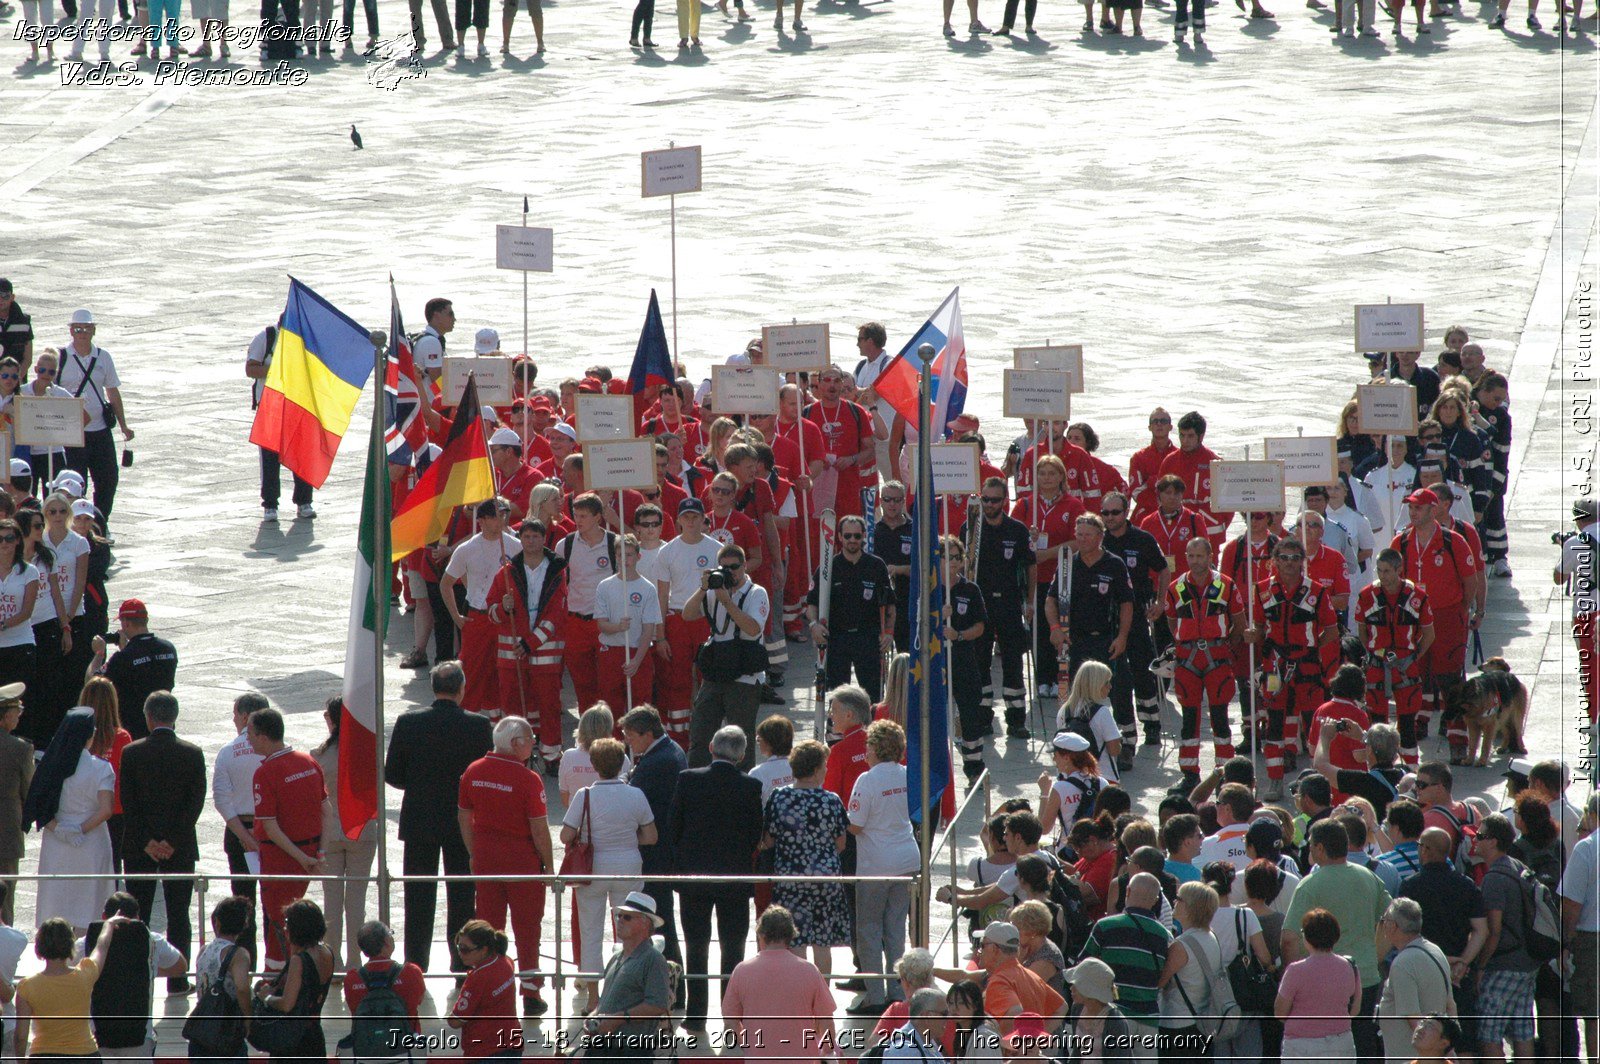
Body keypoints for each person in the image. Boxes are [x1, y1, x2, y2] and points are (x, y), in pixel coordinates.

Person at [384, 661, 492, 974]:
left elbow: (393, 773)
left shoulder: (408, 722)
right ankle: (463, 964)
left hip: (419, 819)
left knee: (418, 896)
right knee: (461, 895)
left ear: (433, 688)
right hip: (462, 822)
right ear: (462, 688)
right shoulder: (478, 725)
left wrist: (418, 786)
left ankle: (416, 965)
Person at [667, 724, 763, 1033]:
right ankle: (731, 1017)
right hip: (733, 879)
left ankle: (696, 1015)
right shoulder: (751, 787)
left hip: (694, 878)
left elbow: (674, 827)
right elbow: (754, 835)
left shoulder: (688, 780)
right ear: (742, 754)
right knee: (733, 950)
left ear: (711, 747)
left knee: (696, 947)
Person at [458, 716, 555, 1016]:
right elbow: (540, 830)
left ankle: (488, 989)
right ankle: (530, 994)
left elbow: (464, 817)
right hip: (521, 864)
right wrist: (549, 866)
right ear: (516, 744)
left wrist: (474, 853)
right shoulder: (528, 779)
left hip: (486, 861)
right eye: (530, 739)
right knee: (528, 930)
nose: (534, 744)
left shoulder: (473, 771)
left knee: (487, 928)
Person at [117, 690, 205, 994]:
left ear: (148, 717)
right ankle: (177, 980)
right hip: (179, 848)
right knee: (179, 913)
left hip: (140, 847)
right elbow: (194, 805)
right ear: (175, 717)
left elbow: (128, 802)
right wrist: (172, 842)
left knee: (135, 913)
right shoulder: (192, 754)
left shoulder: (132, 752)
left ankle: (135, 975)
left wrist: (147, 842)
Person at [1282, 819, 1391, 1064]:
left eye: (1311, 845)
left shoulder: (1310, 884)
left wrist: (1288, 976)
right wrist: (1376, 955)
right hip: (1366, 975)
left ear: (1320, 848)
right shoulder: (1369, 877)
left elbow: (1289, 938)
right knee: (1363, 1043)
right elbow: (1390, 920)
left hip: (1322, 981)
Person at [562, 736, 657, 1016]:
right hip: (628, 865)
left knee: (591, 932)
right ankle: (624, 993)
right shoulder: (636, 794)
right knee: (628, 933)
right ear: (622, 763)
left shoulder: (585, 796)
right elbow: (650, 836)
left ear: (594, 764)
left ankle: (593, 999)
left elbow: (566, 834)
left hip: (593, 870)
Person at [1247, 538, 1339, 800]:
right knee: (1273, 721)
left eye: (1295, 557)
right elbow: (1260, 627)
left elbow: (1331, 631)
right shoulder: (1262, 590)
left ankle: (1316, 782)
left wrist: (1309, 648)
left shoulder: (1317, 591)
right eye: (1284, 557)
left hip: (1307, 667)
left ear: (1303, 561)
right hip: (1274, 668)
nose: (1289, 563)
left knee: (1312, 722)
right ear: (1274, 561)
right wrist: (1253, 635)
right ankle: (1274, 781)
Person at [847, 720, 921, 1015]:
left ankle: (875, 996)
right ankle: (897, 992)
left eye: (867, 745)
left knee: (868, 930)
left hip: (876, 864)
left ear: (876, 747)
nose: (865, 750)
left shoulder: (867, 780)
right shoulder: (907, 775)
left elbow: (855, 824)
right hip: (906, 860)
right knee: (894, 929)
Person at [762, 738, 851, 977]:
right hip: (826, 880)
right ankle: (821, 997)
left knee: (796, 940)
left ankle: (799, 996)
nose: (826, 769)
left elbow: (769, 839)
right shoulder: (831, 801)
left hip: (790, 878)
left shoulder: (778, 797)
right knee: (822, 942)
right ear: (815, 769)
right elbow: (841, 843)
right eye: (824, 765)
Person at [248, 707, 327, 974]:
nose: (247, 740)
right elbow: (326, 810)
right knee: (294, 920)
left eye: (250, 734)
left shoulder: (266, 773)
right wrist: (319, 853)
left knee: (278, 923)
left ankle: (278, 977)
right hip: (307, 853)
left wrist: (302, 857)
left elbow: (270, 827)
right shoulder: (308, 761)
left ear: (262, 736)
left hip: (281, 859)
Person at [486, 517, 569, 767]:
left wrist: (532, 642)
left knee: (549, 705)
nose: (531, 541)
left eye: (536, 536)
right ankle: (514, 756)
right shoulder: (506, 572)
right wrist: (502, 607)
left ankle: (551, 754)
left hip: (545, 651)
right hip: (511, 654)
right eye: (526, 536)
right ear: (520, 539)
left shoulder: (556, 571)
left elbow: (557, 613)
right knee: (512, 706)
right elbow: (490, 611)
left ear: (544, 539)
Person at [25, 707, 114, 934]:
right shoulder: (102, 768)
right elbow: (106, 809)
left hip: (57, 840)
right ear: (89, 736)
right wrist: (79, 829)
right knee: (90, 900)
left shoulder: (49, 766)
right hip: (90, 840)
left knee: (57, 897)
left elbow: (39, 806)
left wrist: (61, 829)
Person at [1164, 536, 1244, 790]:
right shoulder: (1176, 587)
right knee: (1189, 717)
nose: (1195, 561)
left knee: (1220, 716)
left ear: (1210, 557)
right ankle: (1189, 774)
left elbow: (1239, 623)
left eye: (1200, 556)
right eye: (1191, 556)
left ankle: (1225, 772)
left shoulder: (1226, 585)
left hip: (1217, 654)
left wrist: (1225, 647)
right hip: (1187, 658)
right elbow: (1171, 621)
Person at [619, 705, 686, 1003]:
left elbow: (633, 802)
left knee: (660, 923)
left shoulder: (656, 764)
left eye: (631, 736)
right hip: (664, 851)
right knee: (663, 920)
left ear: (648, 733)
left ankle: (671, 990)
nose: (627, 742)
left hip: (655, 854)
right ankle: (671, 989)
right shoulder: (669, 750)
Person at [963, 477, 1035, 740]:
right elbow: (960, 564)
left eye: (995, 499)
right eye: (986, 499)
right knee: (979, 662)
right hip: (979, 607)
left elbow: (1030, 565)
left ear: (1005, 500)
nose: (990, 504)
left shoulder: (1017, 530)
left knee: (1013, 662)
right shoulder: (971, 528)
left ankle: (1016, 719)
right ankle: (983, 718)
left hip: (1009, 604)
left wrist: (1029, 601)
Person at [684, 543, 769, 766]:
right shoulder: (714, 590)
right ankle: (698, 779)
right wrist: (704, 588)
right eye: (724, 567)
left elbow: (753, 629)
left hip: (744, 676)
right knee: (700, 732)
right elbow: (687, 614)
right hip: (716, 672)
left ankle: (742, 785)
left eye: (735, 567)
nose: (730, 572)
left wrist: (727, 602)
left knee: (741, 738)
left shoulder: (756, 593)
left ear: (744, 567)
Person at [311, 698, 376, 975]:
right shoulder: (367, 753)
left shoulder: (318, 755)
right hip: (361, 830)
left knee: (332, 901)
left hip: (330, 832)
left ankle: (332, 960)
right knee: (357, 901)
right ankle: (354, 961)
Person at [722, 906, 838, 1061]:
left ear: (760, 935)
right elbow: (826, 1021)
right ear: (791, 935)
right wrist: (828, 1052)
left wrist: (748, 1044)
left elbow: (730, 1021)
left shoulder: (741, 971)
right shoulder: (809, 971)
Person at [79, 892, 187, 1057]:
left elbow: (65, 967)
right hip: (140, 1037)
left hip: (97, 1035)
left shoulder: (85, 943)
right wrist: (151, 969)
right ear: (137, 916)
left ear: (103, 917)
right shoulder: (153, 940)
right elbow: (180, 966)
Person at [441, 498, 521, 716]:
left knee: (504, 672)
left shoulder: (515, 545)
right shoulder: (467, 549)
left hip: (506, 618)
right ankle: (467, 717)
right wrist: (456, 616)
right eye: (495, 516)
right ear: (482, 521)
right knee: (473, 672)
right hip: (477, 617)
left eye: (504, 515)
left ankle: (498, 720)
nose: (501, 520)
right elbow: (446, 583)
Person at [15, 914, 129, 1061]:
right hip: (85, 1055)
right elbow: (102, 946)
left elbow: (21, 1036)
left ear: (39, 946)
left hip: (43, 1056)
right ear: (70, 945)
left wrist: (20, 1060)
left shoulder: (27, 986)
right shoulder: (85, 974)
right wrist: (108, 924)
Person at [1474, 813, 1541, 1063]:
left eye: (1480, 836)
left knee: (1489, 1034)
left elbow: (1493, 931)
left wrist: (1480, 966)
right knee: (1523, 1032)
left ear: (1492, 841)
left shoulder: (1493, 878)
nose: (1475, 841)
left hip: (1503, 966)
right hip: (1528, 963)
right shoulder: (1519, 867)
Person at [653, 499, 719, 744]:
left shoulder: (716, 549)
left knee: (709, 678)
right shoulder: (667, 551)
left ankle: (709, 733)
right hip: (677, 619)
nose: (691, 521)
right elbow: (661, 595)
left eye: (695, 516)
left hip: (706, 619)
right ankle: (678, 737)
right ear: (678, 520)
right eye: (686, 517)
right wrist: (660, 636)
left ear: (703, 519)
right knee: (677, 679)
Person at [578, 892, 672, 1064]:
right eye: (618, 916)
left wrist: (617, 1019)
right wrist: (593, 1016)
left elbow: (657, 1004)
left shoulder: (653, 959)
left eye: (627, 917)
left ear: (645, 922)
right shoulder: (616, 957)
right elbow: (605, 1002)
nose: (619, 920)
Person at [808, 514, 893, 702]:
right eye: (847, 536)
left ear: (863, 536)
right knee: (838, 696)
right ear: (839, 537)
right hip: (837, 638)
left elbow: (889, 605)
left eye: (856, 536)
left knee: (873, 696)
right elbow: (812, 603)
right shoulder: (827, 567)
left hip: (868, 638)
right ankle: (837, 731)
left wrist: (888, 633)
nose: (852, 540)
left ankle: (872, 730)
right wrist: (814, 625)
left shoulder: (876, 565)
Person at [58, 309, 133, 522]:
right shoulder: (61, 356)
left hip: (100, 429)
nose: (82, 333)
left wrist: (123, 425)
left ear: (94, 330)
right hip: (72, 433)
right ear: (71, 331)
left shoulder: (103, 356)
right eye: (78, 329)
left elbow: (112, 391)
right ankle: (75, 522)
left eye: (86, 329)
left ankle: (100, 521)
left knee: (108, 479)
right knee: (74, 481)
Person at [1080, 871, 1171, 1046]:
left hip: (1115, 1015)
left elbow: (1084, 965)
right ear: (1155, 900)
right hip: (1149, 1018)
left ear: (1127, 891)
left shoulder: (1106, 926)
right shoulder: (1163, 935)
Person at [245, 319, 315, 521]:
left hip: (298, 406)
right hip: (270, 407)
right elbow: (251, 369)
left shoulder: (304, 342)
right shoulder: (266, 338)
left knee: (301, 457)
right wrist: (278, 370)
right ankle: (270, 505)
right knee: (269, 458)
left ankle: (304, 502)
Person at [1275, 908, 1363, 1061]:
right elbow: (1354, 1009)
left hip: (1302, 1045)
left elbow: (1280, 1012)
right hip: (1341, 1042)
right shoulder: (1349, 967)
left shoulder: (1296, 970)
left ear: (1307, 937)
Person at [252, 899, 333, 1064]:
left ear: (299, 928)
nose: (284, 928)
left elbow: (287, 1004)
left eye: (288, 923)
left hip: (294, 1038)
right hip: (314, 1034)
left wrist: (265, 997)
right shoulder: (327, 952)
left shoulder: (299, 961)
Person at [1376, 897, 1456, 1064]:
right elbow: (1451, 1005)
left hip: (1411, 1057)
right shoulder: (1435, 950)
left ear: (1392, 926)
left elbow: (1414, 1019)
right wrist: (1449, 1052)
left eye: (1384, 921)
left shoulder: (1403, 963)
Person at [87, 598, 177, 743]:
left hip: (133, 734)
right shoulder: (169, 649)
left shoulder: (123, 658)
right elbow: (146, 668)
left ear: (126, 623)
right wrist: (126, 648)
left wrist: (99, 654)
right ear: (146, 620)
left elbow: (92, 682)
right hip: (165, 729)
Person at [594, 534, 664, 718]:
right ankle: (615, 745)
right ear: (615, 556)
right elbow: (601, 624)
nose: (625, 560)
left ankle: (638, 746)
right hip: (611, 652)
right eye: (620, 555)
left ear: (638, 556)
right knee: (610, 705)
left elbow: (649, 628)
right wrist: (618, 627)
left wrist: (636, 661)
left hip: (637, 652)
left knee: (640, 707)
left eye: (630, 555)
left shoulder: (647, 588)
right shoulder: (604, 586)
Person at [1155, 880, 1220, 1058]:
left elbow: (1159, 982)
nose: (1174, 902)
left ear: (1191, 907)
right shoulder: (1211, 936)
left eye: (1179, 899)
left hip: (1177, 1025)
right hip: (1202, 1022)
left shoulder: (1182, 945)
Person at [190, 896, 255, 1059]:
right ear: (244, 925)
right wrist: (248, 1018)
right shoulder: (238, 954)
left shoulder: (203, 950)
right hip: (226, 1031)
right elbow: (241, 988)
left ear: (217, 922)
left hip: (202, 1028)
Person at [1055, 661, 1122, 784]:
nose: (1110, 686)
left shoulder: (1064, 711)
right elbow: (1114, 750)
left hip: (1070, 778)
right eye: (1107, 682)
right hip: (1102, 777)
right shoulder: (1102, 713)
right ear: (1096, 685)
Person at [0, 685, 31, 928]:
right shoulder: (20, 748)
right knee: (6, 897)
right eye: (16, 710)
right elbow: (28, 792)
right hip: (7, 832)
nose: (19, 714)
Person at [1063, 957, 1135, 1061]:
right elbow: (1076, 1054)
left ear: (1090, 990)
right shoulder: (1077, 1009)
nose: (1071, 988)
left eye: (1077, 984)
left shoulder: (1115, 1022)